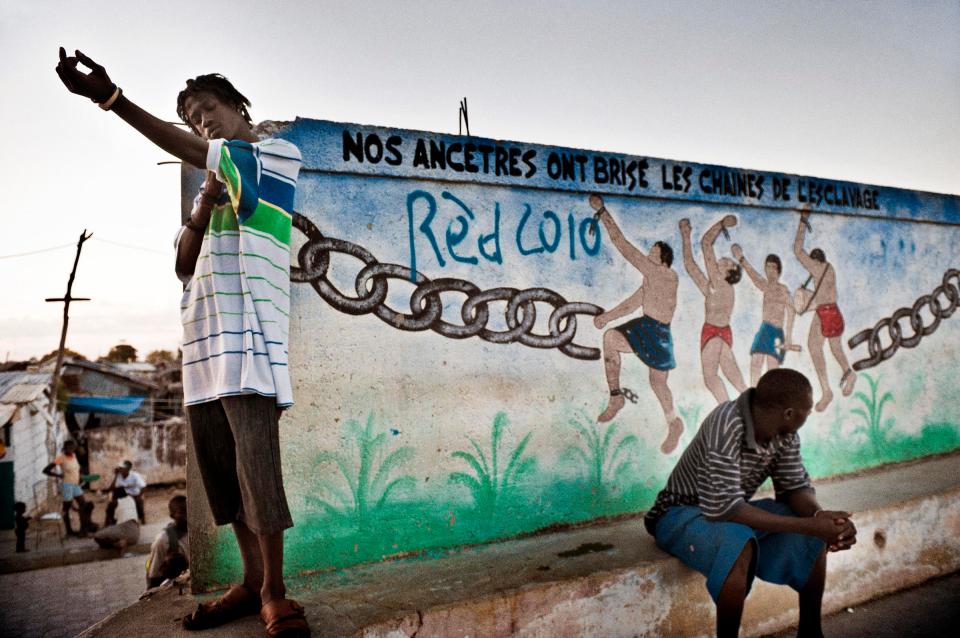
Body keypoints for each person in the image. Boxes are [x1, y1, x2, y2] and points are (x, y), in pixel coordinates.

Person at [55, 48, 307, 638]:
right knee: (224, 480)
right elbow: (182, 264)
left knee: (257, 475)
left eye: (210, 109)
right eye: (194, 117)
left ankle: (275, 591)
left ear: (237, 106)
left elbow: (196, 152)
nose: (203, 123)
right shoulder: (213, 189)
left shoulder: (274, 157)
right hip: (203, 355)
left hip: (249, 349)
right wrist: (201, 206)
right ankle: (248, 583)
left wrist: (111, 99)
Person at [645, 368, 857, 638]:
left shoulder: (786, 434)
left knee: (809, 531)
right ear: (790, 413)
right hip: (677, 513)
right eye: (807, 410)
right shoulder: (727, 422)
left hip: (724, 513)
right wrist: (811, 525)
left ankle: (811, 633)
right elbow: (727, 508)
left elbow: (795, 488)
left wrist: (824, 520)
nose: (808, 415)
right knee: (739, 540)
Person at [588, 195, 685, 454]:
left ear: (663, 257)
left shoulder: (664, 274)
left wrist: (603, 212)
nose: (648, 253)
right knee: (611, 339)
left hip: (657, 331)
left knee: (658, 382)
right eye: (650, 250)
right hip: (648, 327)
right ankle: (616, 397)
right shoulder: (652, 279)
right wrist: (607, 317)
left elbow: (623, 245)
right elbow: (632, 304)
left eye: (653, 251)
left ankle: (673, 422)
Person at [793, 209, 857, 411]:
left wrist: (803, 220)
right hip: (833, 311)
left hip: (824, 314)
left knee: (814, 347)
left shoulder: (817, 268)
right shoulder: (830, 269)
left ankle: (826, 389)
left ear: (815, 261)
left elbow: (797, 250)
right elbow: (825, 295)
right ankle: (849, 371)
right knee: (835, 348)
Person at [680, 216, 748, 404]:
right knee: (727, 375)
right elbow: (691, 267)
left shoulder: (722, 284)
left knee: (712, 377)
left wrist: (721, 224)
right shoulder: (714, 287)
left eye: (727, 261)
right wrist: (685, 236)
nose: (722, 259)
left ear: (730, 270)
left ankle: (730, 408)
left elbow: (706, 244)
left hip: (714, 333)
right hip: (716, 332)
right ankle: (745, 405)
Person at [731, 246, 797, 387]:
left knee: (772, 370)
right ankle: (754, 394)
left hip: (777, 332)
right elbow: (754, 275)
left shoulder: (783, 290)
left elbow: (791, 312)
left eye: (773, 267)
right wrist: (741, 259)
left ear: (778, 270)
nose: (770, 270)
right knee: (755, 364)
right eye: (767, 267)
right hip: (765, 328)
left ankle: (771, 400)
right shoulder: (766, 286)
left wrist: (789, 337)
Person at [42, 439, 94, 537]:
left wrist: (81, 477)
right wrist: (58, 475)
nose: (71, 449)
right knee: (66, 508)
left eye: (72, 448)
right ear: (64, 448)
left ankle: (83, 528)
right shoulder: (61, 458)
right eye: (69, 448)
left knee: (83, 505)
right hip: (67, 486)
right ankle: (69, 531)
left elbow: (76, 469)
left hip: (76, 485)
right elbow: (46, 470)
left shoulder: (74, 456)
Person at [146, 495, 189, 589]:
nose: (187, 515)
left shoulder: (198, 532)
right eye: (182, 512)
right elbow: (153, 577)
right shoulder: (163, 540)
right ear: (172, 515)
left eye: (190, 510)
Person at [105, 460, 146, 525]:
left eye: (121, 468)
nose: (120, 469)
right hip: (122, 495)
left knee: (137, 501)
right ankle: (110, 519)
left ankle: (141, 517)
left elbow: (143, 487)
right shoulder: (119, 476)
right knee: (114, 498)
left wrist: (139, 495)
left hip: (134, 495)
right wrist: (115, 475)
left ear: (127, 469)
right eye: (119, 468)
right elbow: (111, 489)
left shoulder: (135, 475)